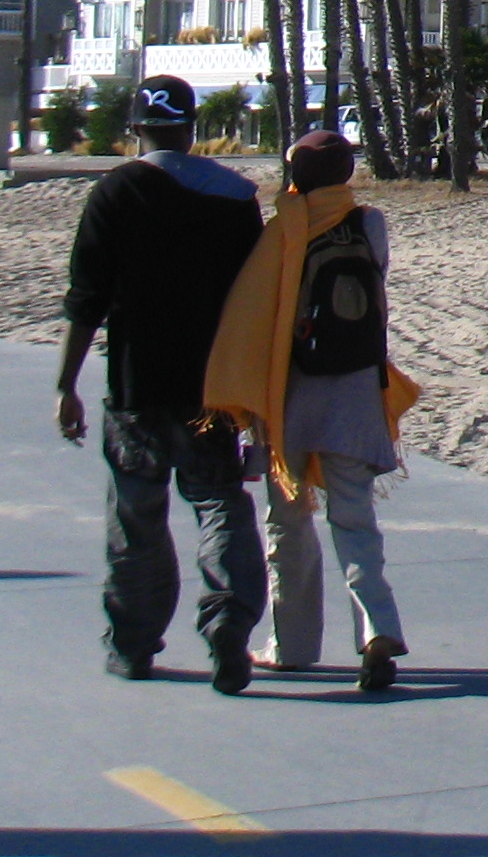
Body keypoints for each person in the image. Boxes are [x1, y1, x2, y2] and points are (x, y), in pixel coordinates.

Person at [55, 73, 268, 690]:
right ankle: (228, 621)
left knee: (136, 518)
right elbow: (254, 298)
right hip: (211, 386)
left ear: (136, 127)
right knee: (219, 502)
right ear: (192, 128)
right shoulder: (235, 196)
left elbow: (86, 298)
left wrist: (66, 385)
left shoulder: (117, 191)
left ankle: (133, 644)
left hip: (137, 385)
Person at [204, 129, 419, 693]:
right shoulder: (369, 224)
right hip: (355, 395)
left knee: (288, 525)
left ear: (296, 174)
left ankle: (292, 645)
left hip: (291, 400)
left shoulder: (281, 232)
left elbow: (256, 320)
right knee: (356, 523)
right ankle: (378, 630)